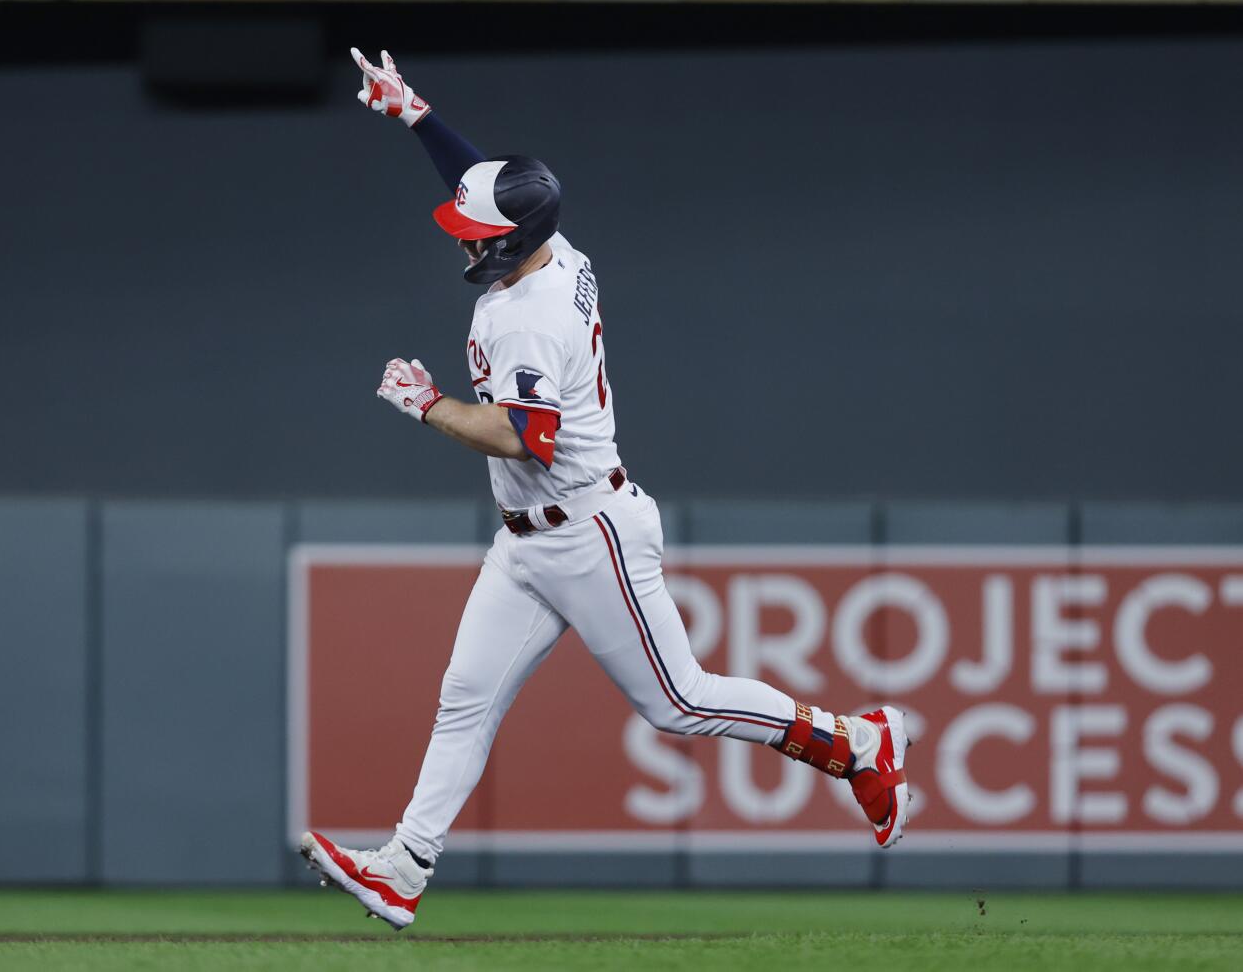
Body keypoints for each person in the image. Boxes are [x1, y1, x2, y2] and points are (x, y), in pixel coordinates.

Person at [300, 48, 912, 931]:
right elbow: (486, 187)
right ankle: (405, 866)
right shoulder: (548, 248)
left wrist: (427, 404)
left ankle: (858, 743)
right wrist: (416, 115)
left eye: (474, 230)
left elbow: (525, 437)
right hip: (525, 540)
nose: (461, 234)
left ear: (509, 240)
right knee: (465, 697)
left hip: (587, 527)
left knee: (681, 702)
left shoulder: (529, 316)